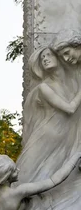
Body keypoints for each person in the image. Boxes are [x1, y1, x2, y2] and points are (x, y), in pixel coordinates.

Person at [16, 47, 81, 181]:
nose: (45, 59)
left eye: (48, 55)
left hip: (64, 136)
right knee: (26, 175)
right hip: (46, 135)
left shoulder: (71, 83)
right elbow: (70, 109)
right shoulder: (43, 87)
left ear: (58, 57)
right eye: (42, 58)